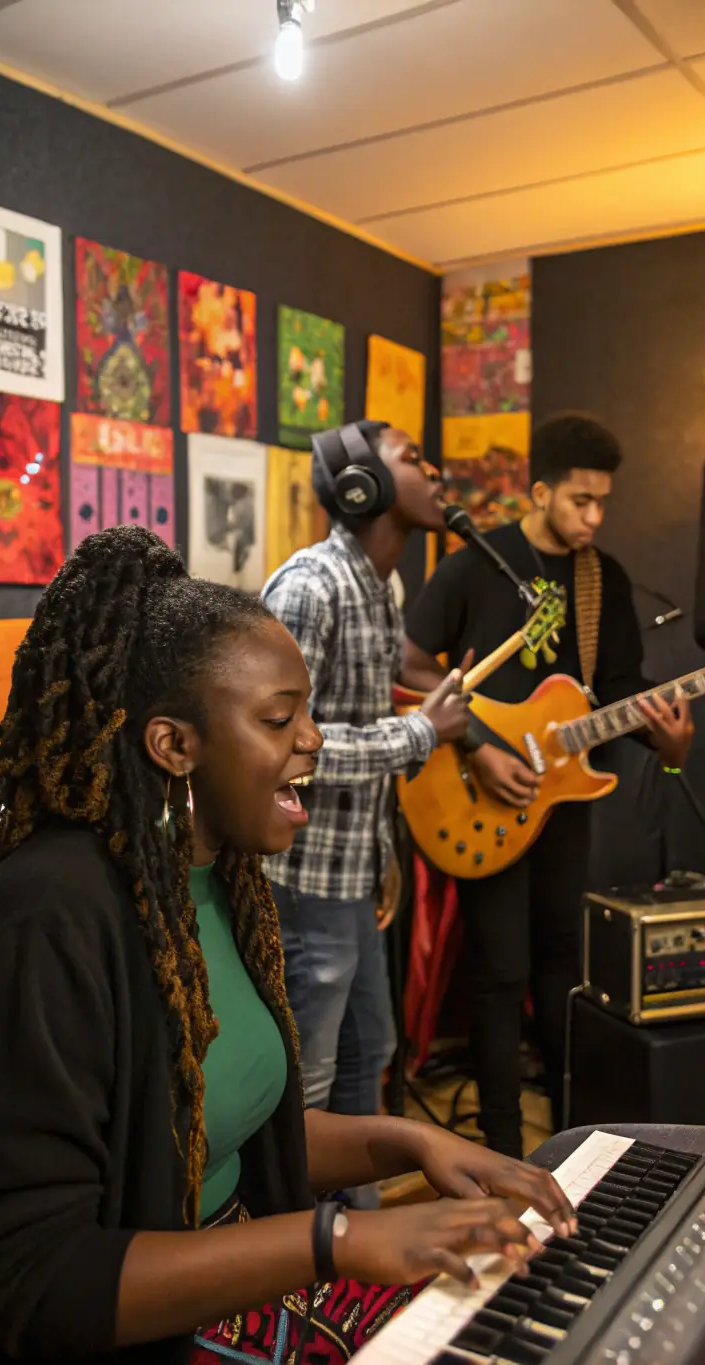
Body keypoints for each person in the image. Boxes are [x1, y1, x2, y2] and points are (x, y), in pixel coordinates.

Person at [0, 526, 574, 1365]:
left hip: (240, 1283)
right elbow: (30, 1272)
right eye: (279, 717)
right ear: (174, 745)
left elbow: (221, 1128)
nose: (316, 738)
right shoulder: (48, 917)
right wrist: (332, 1241)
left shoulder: (212, 872)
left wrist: (411, 1140)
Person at [402, 411, 695, 1158]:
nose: (594, 517)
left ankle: (569, 1137)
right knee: (500, 974)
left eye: (603, 503)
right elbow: (409, 658)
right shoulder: (478, 560)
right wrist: (481, 745)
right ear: (540, 490)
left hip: (561, 795)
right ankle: (499, 1147)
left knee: (563, 965)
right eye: (580, 502)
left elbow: (618, 686)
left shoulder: (604, 578)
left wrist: (663, 737)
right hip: (482, 786)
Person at [262, 421, 470, 1180]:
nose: (436, 469)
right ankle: (295, 1267)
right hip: (303, 886)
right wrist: (420, 733)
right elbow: (280, 748)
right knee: (308, 1093)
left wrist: (383, 855)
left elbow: (355, 718)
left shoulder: (384, 588)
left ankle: (359, 1261)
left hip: (352, 880)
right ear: (362, 486)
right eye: (414, 458)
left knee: (368, 1064)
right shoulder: (310, 586)